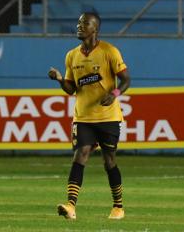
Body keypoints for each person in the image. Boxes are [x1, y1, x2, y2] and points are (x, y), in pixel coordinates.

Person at [48, 12, 131, 220]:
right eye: (78, 22)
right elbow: (71, 89)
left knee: (109, 160)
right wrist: (59, 79)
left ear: (95, 28)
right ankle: (70, 206)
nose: (79, 26)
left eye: (85, 23)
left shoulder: (109, 51)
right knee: (81, 154)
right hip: (83, 117)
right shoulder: (71, 55)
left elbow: (126, 80)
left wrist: (114, 95)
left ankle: (118, 207)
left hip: (108, 117)